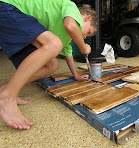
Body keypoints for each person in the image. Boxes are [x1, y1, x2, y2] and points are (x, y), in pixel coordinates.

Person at [0, 0, 97, 130]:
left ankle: (7, 89)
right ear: (87, 18)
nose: (85, 36)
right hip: (8, 9)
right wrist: (83, 47)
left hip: (16, 26)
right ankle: (7, 97)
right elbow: (70, 26)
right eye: (88, 32)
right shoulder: (70, 6)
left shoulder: (66, 38)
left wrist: (76, 75)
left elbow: (68, 56)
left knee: (52, 64)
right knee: (54, 44)